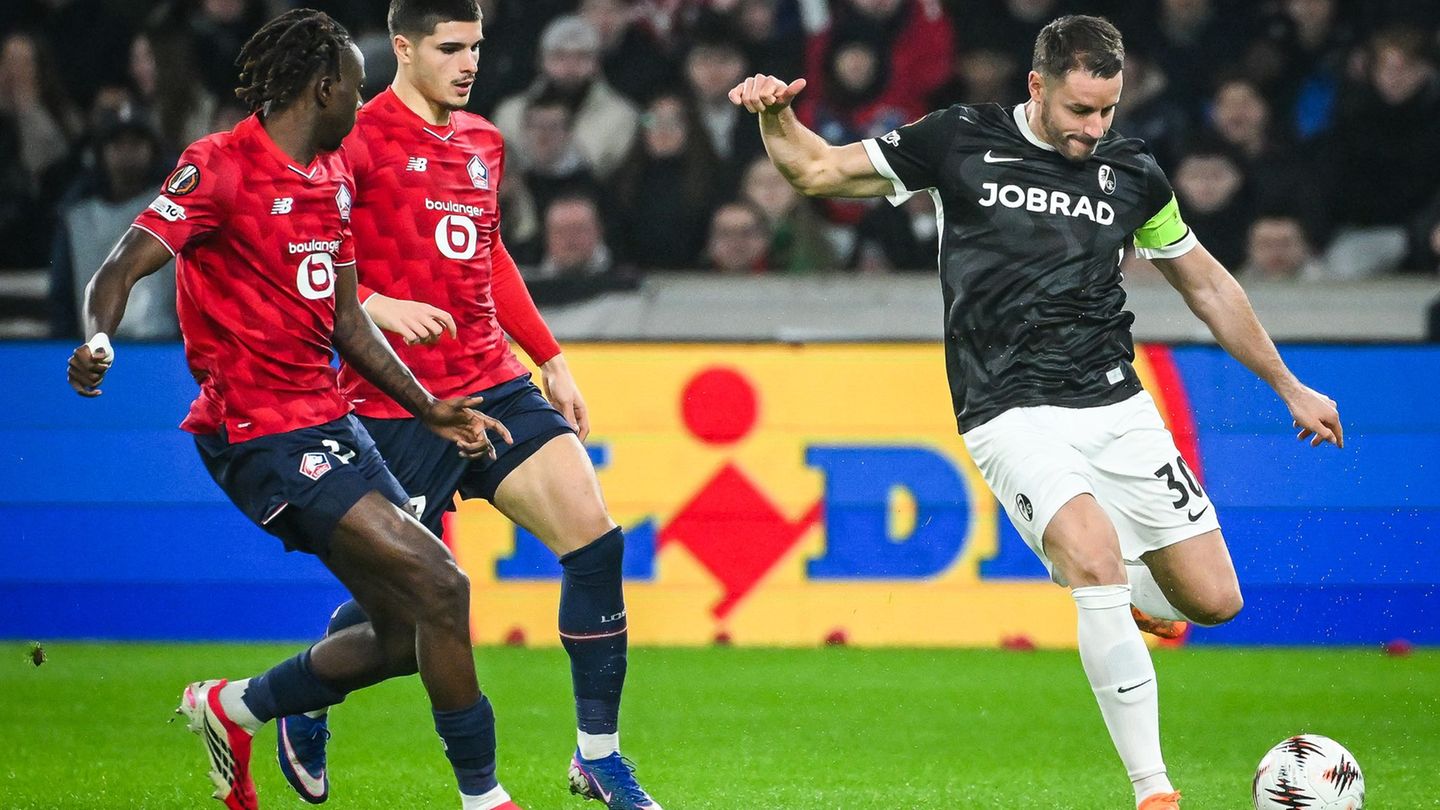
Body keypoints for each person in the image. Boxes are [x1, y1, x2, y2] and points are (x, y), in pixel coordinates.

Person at [730, 14, 1343, 810]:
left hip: (1115, 403)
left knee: (1214, 600)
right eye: (1080, 110)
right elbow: (816, 171)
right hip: (1005, 406)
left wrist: (1288, 384)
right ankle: (1153, 790)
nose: (1095, 128)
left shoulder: (1133, 172)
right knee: (1088, 553)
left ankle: (1126, 591)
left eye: (1108, 111)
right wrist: (777, 115)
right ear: (1037, 86)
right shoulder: (956, 140)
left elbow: (1207, 284)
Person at [63, 10, 522, 810]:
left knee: (409, 633)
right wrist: (99, 341)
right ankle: (486, 799)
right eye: (355, 83)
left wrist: (427, 408)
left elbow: (348, 323)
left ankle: (233, 707)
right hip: (258, 431)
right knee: (444, 586)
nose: (364, 96)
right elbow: (119, 266)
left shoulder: (333, 176)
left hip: (331, 420)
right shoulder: (219, 168)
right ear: (323, 86)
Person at [271, 3, 663, 809]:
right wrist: (375, 304)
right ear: (404, 48)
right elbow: (292, 255)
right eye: (450, 47)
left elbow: (489, 257)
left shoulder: (483, 140)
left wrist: (549, 359)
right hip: (396, 402)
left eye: (476, 47)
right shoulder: (354, 139)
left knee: (594, 541)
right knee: (407, 615)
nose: (467, 62)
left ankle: (598, 756)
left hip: (493, 379)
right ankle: (303, 695)